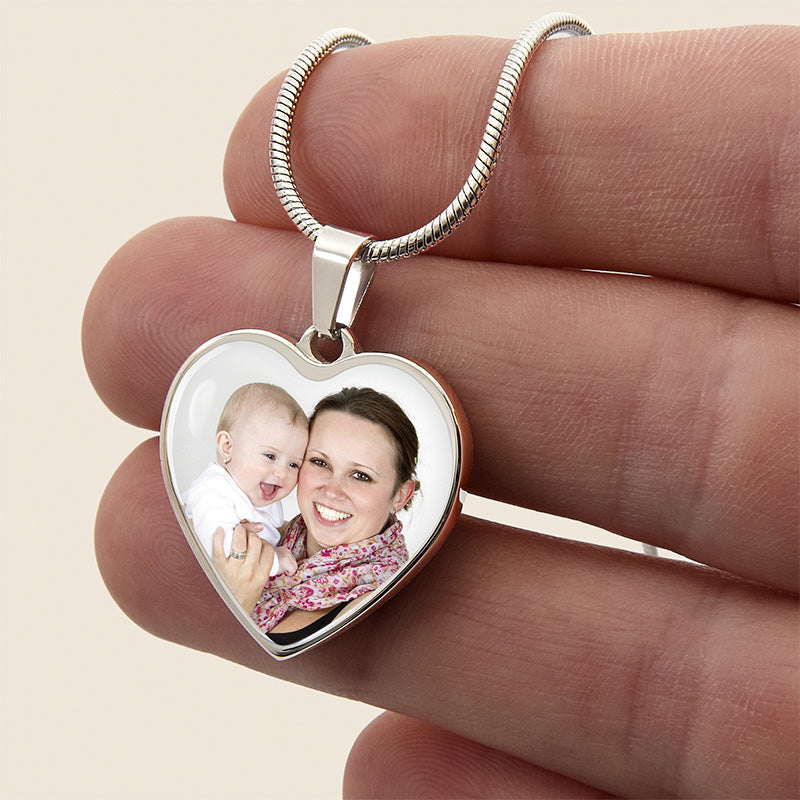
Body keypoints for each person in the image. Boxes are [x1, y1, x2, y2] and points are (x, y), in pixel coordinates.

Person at [83, 24, 798, 798]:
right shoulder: (282, 534)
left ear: (406, 498)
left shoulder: (360, 566)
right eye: (316, 461)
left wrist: (256, 592)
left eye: (361, 475)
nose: (322, 485)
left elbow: (281, 612)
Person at [213, 387, 418, 640]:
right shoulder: (252, 539)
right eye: (320, 462)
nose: (332, 491)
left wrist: (236, 600)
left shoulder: (386, 609)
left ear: (400, 495)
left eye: (361, 476)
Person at [183, 382, 307, 576]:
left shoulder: (254, 492)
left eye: (293, 465)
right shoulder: (213, 491)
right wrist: (275, 560)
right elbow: (219, 548)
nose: (282, 473)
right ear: (227, 446)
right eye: (270, 456)